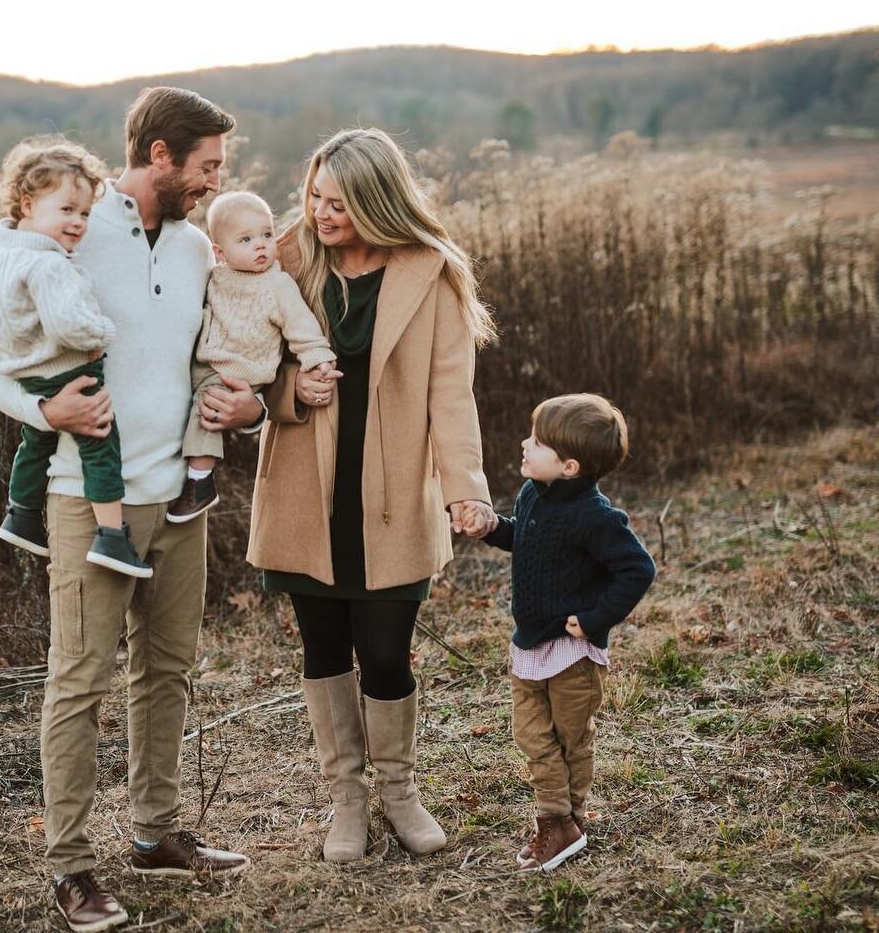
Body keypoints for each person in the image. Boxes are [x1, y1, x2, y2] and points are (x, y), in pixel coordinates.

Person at [0, 88, 258, 933]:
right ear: (159, 154)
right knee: (80, 680)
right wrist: (43, 413)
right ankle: (70, 867)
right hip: (85, 500)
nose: (214, 181)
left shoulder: (203, 247)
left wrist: (248, 411)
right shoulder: (74, 231)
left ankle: (157, 834)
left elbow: (212, 357)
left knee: (168, 670)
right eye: (205, 165)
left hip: (179, 499)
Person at [248, 128, 497, 863]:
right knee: (324, 645)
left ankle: (400, 791)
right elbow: (242, 353)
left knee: (386, 652)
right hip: (304, 488)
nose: (323, 214)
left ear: (378, 201)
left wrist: (465, 490)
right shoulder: (286, 258)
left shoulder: (431, 271)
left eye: (341, 203)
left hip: (394, 497)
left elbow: (451, 392)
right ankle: (346, 801)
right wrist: (291, 389)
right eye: (317, 198)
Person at [461, 393, 656, 872]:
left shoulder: (594, 516)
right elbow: (523, 537)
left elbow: (637, 568)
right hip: (530, 644)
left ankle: (564, 822)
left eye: (538, 442)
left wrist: (594, 619)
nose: (525, 445)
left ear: (570, 466)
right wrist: (491, 527)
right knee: (532, 735)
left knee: (570, 740)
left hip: (573, 653)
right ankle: (559, 819)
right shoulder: (533, 495)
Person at [0, 138, 151, 578]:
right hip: (67, 367)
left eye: (85, 213)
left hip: (20, 370)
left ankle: (20, 514)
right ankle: (112, 536)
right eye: (66, 210)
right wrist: (103, 333)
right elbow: (69, 326)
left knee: (35, 440)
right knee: (99, 441)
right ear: (27, 204)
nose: (77, 223)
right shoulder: (50, 264)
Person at [167, 191, 336, 522]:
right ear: (220, 252)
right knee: (184, 404)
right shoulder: (216, 277)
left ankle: (200, 483)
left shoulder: (278, 285)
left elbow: (302, 326)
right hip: (205, 362)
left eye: (267, 235)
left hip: (238, 371)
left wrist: (318, 357)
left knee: (208, 407)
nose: (261, 245)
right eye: (245, 240)